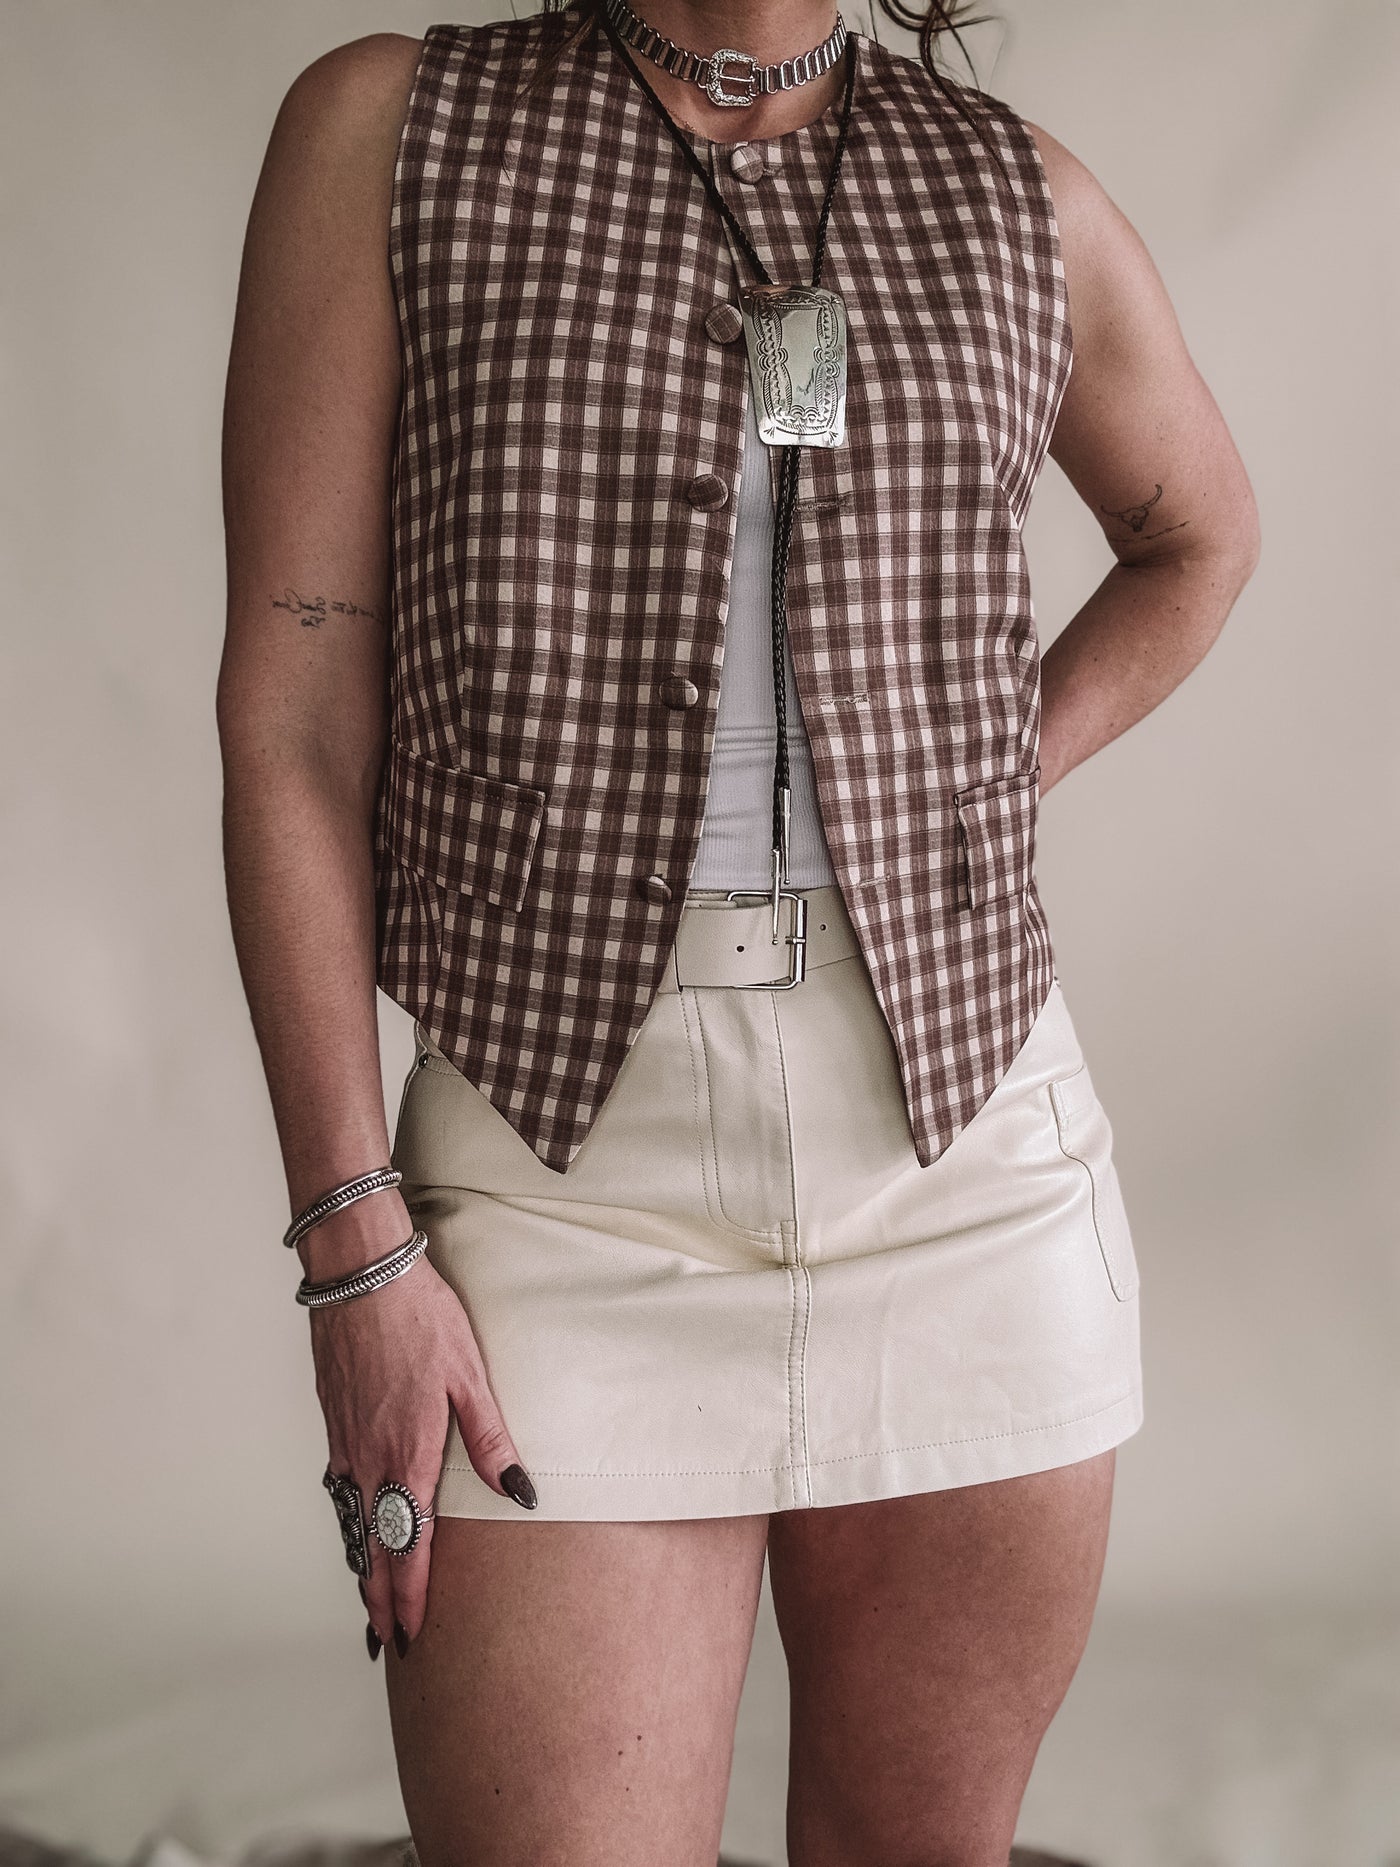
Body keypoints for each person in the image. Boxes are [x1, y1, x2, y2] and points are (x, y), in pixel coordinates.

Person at [217, 0, 1259, 1860]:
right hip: (555, 1186)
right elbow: (293, 721)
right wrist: (353, 1250)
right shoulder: (396, 131)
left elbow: (1203, 535)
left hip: (965, 1168)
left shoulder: (1008, 193)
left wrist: (977, 781)